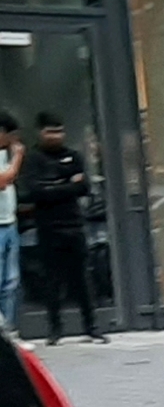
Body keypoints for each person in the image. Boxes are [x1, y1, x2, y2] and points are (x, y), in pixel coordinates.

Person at [23, 113, 101, 342]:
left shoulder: (73, 156)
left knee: (83, 279)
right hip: (48, 227)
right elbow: (35, 192)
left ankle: (92, 327)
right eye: (50, 132)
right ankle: (55, 330)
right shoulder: (34, 159)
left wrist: (54, 186)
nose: (55, 136)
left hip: (74, 224)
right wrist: (68, 185)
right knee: (52, 280)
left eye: (59, 131)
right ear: (40, 132)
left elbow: (84, 187)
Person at [0, 113, 20, 330]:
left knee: (11, 282)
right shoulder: (10, 156)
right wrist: (17, 158)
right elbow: (3, 182)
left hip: (9, 222)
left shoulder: (4, 155)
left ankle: (8, 330)